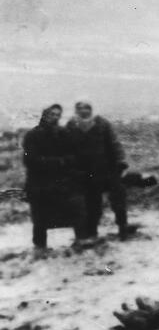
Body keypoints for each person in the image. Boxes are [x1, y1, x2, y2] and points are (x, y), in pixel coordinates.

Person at [22, 104, 88, 255]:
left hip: (62, 181)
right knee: (40, 215)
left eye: (58, 114)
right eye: (52, 114)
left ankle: (81, 241)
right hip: (39, 182)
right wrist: (59, 162)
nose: (55, 117)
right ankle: (40, 247)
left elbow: (73, 155)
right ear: (44, 114)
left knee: (77, 205)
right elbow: (30, 161)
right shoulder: (32, 135)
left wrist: (67, 162)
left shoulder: (63, 133)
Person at [65, 100, 134, 241]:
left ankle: (123, 227)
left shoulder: (103, 123)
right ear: (75, 110)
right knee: (92, 203)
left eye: (87, 107)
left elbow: (115, 144)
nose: (84, 111)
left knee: (118, 198)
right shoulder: (71, 125)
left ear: (92, 109)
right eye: (80, 108)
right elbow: (65, 147)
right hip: (86, 172)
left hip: (107, 169)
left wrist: (121, 162)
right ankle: (92, 232)